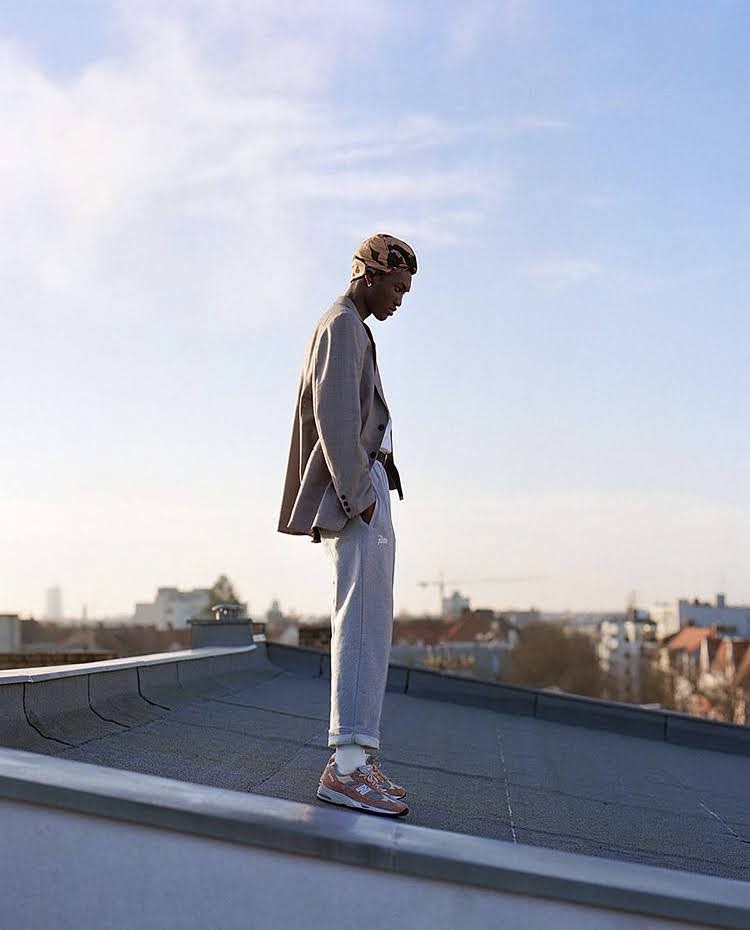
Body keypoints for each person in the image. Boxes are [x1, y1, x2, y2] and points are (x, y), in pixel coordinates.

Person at [277, 233, 417, 816]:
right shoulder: (341, 325)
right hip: (356, 492)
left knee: (370, 624)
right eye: (397, 287)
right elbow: (334, 417)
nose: (400, 300)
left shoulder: (351, 326)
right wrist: (361, 497)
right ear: (369, 275)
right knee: (360, 622)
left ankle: (360, 758)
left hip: (365, 489)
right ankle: (348, 767)